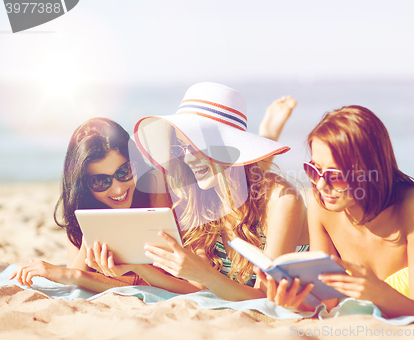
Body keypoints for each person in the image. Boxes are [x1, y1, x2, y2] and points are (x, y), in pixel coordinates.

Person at [260, 105, 414, 318]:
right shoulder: (321, 204)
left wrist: (376, 292)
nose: (321, 185)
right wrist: (292, 302)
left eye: (335, 175)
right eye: (314, 170)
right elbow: (329, 300)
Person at [129, 82, 310, 300]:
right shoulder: (200, 197)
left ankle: (268, 134)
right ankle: (267, 134)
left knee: (244, 180)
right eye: (182, 147)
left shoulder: (282, 199)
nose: (187, 158)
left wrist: (205, 274)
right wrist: (137, 267)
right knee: (237, 178)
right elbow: (199, 288)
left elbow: (267, 296)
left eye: (196, 146)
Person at [10, 118, 171, 292]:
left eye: (125, 171)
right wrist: (92, 234)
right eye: (101, 181)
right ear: (84, 185)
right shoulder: (81, 204)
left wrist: (77, 276)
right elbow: (75, 273)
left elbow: (164, 279)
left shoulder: (154, 184)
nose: (118, 189)